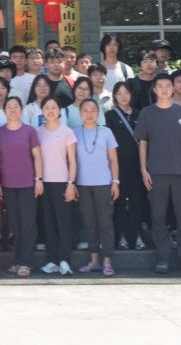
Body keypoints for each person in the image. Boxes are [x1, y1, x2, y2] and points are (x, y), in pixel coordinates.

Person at [135, 73, 181, 275]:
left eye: (167, 86)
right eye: (160, 86)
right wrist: (143, 169)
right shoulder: (147, 113)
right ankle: (162, 257)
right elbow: (143, 143)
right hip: (155, 172)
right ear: (155, 89)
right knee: (158, 217)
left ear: (172, 89)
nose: (164, 89)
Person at [0, 97, 42, 277]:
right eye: (9, 107)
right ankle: (18, 260)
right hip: (8, 184)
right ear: (4, 111)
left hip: (28, 184)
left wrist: (39, 179)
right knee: (15, 224)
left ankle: (26, 262)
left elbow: (37, 156)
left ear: (21, 110)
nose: (12, 110)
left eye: (16, 107)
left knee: (27, 224)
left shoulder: (30, 131)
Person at [74, 98, 119, 276]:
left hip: (104, 183)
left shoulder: (106, 132)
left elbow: (113, 159)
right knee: (89, 223)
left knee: (105, 222)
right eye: (85, 111)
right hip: (83, 184)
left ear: (98, 113)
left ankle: (107, 261)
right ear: (80, 114)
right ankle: (94, 260)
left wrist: (115, 182)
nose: (89, 114)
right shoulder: (75, 133)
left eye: (93, 111)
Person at [35, 96, 78, 274]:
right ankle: (52, 260)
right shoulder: (37, 132)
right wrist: (37, 180)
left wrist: (71, 183)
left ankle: (65, 259)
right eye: (47, 107)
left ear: (60, 110)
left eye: (54, 107)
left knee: (64, 222)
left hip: (62, 182)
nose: (50, 111)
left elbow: (72, 160)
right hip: (43, 183)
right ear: (42, 111)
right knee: (49, 223)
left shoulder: (67, 132)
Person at [105, 82, 145, 251]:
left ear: (131, 95)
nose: (123, 96)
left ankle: (136, 236)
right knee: (119, 200)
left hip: (137, 162)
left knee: (136, 200)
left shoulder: (140, 114)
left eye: (126, 93)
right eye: (119, 93)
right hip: (117, 162)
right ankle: (121, 236)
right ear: (114, 96)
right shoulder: (110, 115)